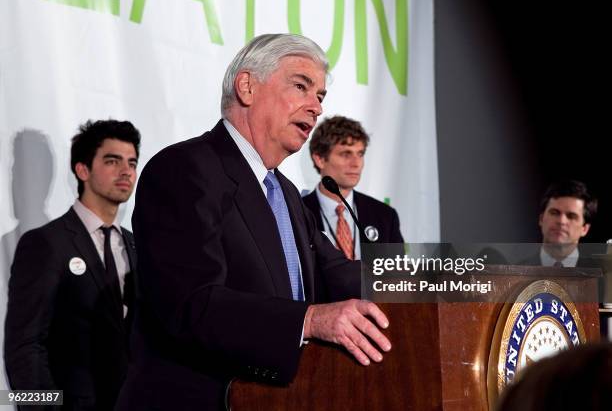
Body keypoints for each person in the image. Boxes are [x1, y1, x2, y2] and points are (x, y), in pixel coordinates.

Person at [115, 34, 391, 411]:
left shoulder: (287, 194)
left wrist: (453, 274)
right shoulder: (183, 169)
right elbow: (192, 304)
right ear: (247, 86)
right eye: (301, 86)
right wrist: (309, 320)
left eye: (321, 96)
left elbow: (339, 273)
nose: (316, 108)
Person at [4, 119, 140, 410]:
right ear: (82, 170)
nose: (126, 170)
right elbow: (23, 347)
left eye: (132, 162)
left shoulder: (136, 246)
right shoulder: (44, 244)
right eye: (113, 161)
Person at [302, 115, 404, 260]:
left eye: (360, 154)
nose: (356, 163)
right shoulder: (298, 213)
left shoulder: (385, 216)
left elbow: (396, 279)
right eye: (346, 154)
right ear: (320, 159)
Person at [526, 180, 598, 267]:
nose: (561, 221)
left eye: (571, 216)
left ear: (585, 229)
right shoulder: (515, 273)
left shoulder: (602, 276)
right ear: (541, 219)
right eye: (554, 213)